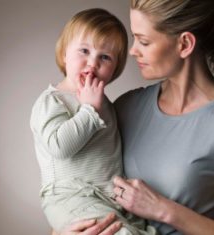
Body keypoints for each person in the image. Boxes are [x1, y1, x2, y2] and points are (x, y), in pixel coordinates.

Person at [59, 0, 214, 234]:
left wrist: (163, 209)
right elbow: (72, 187)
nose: (132, 50)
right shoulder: (126, 107)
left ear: (185, 44)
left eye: (144, 41)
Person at [30, 8, 157, 235]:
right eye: (84, 51)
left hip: (106, 199)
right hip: (70, 197)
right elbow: (59, 147)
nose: (93, 63)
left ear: (114, 70)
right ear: (64, 54)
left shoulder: (106, 104)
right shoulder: (53, 101)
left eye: (105, 57)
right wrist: (89, 110)